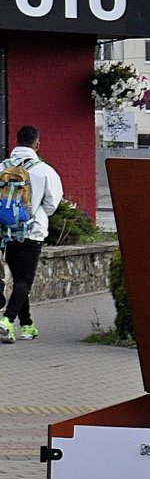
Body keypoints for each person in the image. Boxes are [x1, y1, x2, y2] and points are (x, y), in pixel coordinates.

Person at [1, 125, 63, 343]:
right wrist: (35, 216)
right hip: (32, 232)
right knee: (25, 281)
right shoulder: (44, 170)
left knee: (19, 279)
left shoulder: (2, 167)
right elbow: (52, 203)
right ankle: (6, 321)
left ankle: (27, 325)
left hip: (6, 233)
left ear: (15, 142)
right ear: (37, 144)